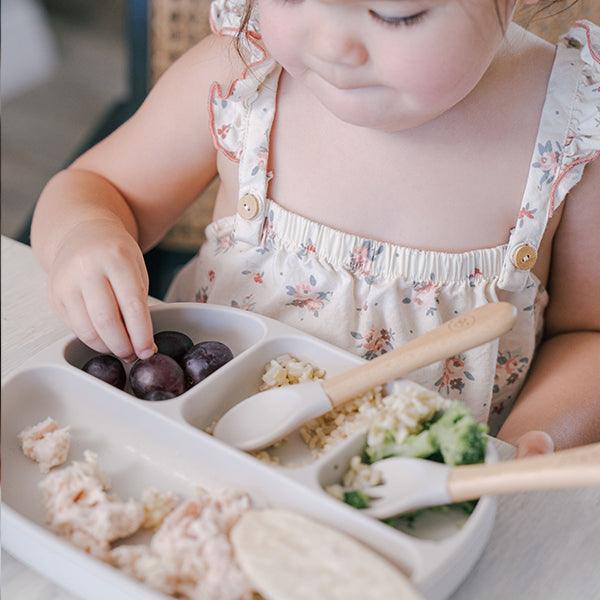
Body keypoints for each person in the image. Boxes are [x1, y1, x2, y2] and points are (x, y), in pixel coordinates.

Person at [31, 0, 599, 457]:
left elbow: (587, 336)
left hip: (412, 501)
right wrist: (84, 233)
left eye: (395, 13)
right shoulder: (242, 69)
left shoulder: (569, 132)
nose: (330, 43)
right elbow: (98, 187)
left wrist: (533, 441)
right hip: (190, 445)